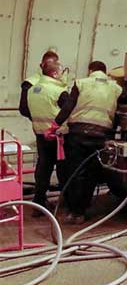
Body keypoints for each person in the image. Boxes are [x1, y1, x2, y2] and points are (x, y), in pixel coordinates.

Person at [56, 61, 123, 224]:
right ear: (105, 72)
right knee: (92, 173)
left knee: (76, 172)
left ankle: (74, 211)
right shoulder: (116, 88)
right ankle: (83, 210)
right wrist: (113, 130)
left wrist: (56, 123)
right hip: (101, 136)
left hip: (78, 135)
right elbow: (120, 111)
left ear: (91, 70)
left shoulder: (81, 83)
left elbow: (68, 106)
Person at [19, 59, 69, 216]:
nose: (62, 75)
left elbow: (25, 110)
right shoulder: (58, 91)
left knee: (43, 168)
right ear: (54, 73)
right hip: (57, 136)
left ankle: (39, 202)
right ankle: (66, 201)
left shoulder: (34, 89)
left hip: (40, 134)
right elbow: (69, 111)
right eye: (61, 72)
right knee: (63, 168)